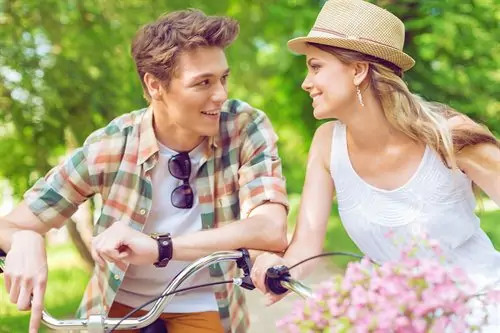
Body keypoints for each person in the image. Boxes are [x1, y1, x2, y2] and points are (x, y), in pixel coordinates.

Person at [0, 9, 289, 333]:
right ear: (155, 85)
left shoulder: (245, 127)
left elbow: (270, 228)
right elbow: (7, 225)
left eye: (223, 78)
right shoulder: (111, 145)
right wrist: (24, 238)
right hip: (118, 308)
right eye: (203, 82)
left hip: (204, 303)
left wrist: (160, 248)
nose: (221, 94)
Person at [251, 0, 500, 324]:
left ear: (358, 70)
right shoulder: (327, 144)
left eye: (316, 67)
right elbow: (306, 248)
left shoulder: (449, 136)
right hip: (404, 323)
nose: (306, 82)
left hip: (485, 313)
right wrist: (276, 267)